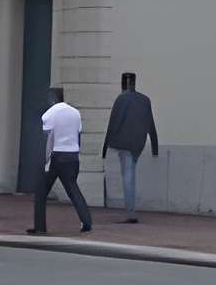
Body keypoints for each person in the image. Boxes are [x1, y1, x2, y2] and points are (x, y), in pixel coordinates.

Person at [30, 86, 91, 234]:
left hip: (57, 156)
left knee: (41, 191)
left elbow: (48, 139)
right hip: (73, 156)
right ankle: (86, 221)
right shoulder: (75, 113)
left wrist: (45, 159)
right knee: (73, 190)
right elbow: (78, 135)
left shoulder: (49, 114)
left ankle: (40, 227)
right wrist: (76, 152)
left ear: (52, 99)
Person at [101, 71, 159, 222]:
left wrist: (105, 147)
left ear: (123, 84)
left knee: (127, 177)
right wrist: (155, 146)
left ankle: (131, 213)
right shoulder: (145, 100)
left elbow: (114, 123)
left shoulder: (121, 99)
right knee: (130, 175)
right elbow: (150, 123)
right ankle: (131, 211)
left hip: (124, 143)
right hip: (138, 144)